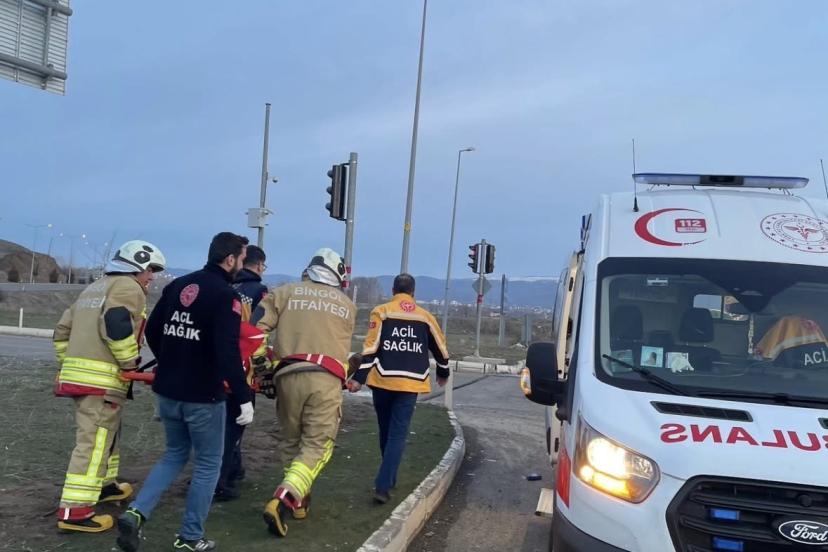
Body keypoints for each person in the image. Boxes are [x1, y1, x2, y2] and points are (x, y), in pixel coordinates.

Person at [116, 232, 254, 552]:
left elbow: (153, 329)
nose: (243, 265)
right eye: (242, 259)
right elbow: (227, 350)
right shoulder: (226, 296)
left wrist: (172, 360)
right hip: (203, 395)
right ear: (230, 259)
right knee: (208, 463)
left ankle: (136, 513)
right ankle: (190, 537)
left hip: (168, 390)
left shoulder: (179, 284)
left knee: (174, 454)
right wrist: (243, 395)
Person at [53, 240, 166, 533]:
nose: (151, 277)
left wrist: (70, 365)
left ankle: (104, 486)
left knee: (108, 437)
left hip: (83, 380)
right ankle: (75, 512)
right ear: (137, 267)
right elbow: (116, 324)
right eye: (150, 270)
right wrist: (129, 362)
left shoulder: (93, 288)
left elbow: (61, 331)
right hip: (103, 382)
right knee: (93, 443)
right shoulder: (129, 288)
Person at [254, 248, 356, 538]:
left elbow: (253, 331)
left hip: (287, 376)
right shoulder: (347, 306)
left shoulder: (283, 293)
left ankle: (300, 502)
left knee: (291, 441)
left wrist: (262, 368)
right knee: (317, 445)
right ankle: (283, 499)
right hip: (325, 379)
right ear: (338, 277)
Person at [349, 273, 450, 504]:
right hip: (409, 383)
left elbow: (370, 348)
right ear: (413, 292)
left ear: (393, 290)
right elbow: (441, 348)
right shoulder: (425, 317)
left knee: (386, 431)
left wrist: (358, 378)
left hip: (382, 381)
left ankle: (386, 479)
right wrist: (443, 372)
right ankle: (384, 484)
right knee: (397, 434)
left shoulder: (381, 312)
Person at [214, 245, 269, 501]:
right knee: (236, 424)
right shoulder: (259, 291)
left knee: (221, 423)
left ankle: (233, 469)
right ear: (258, 265)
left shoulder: (226, 286)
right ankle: (220, 478)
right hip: (243, 365)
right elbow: (259, 331)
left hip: (216, 362)